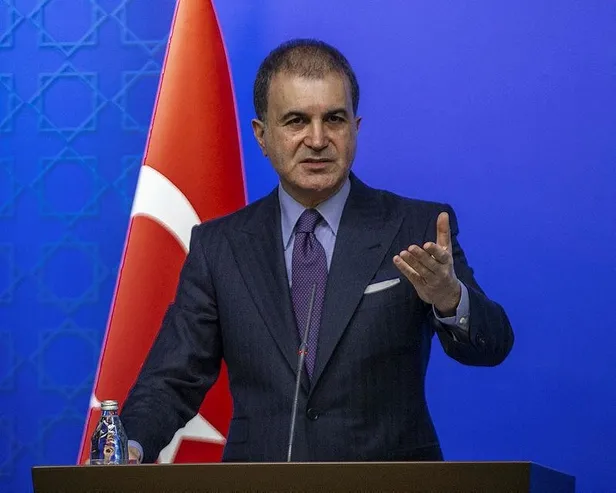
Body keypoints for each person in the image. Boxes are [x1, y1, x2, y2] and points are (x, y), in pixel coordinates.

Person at [120, 39, 514, 463]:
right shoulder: (219, 246)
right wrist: (127, 448)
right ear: (262, 136)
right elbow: (172, 378)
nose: (318, 139)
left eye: (334, 119)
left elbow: (491, 346)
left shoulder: (417, 229)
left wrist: (449, 298)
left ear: (355, 129)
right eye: (296, 121)